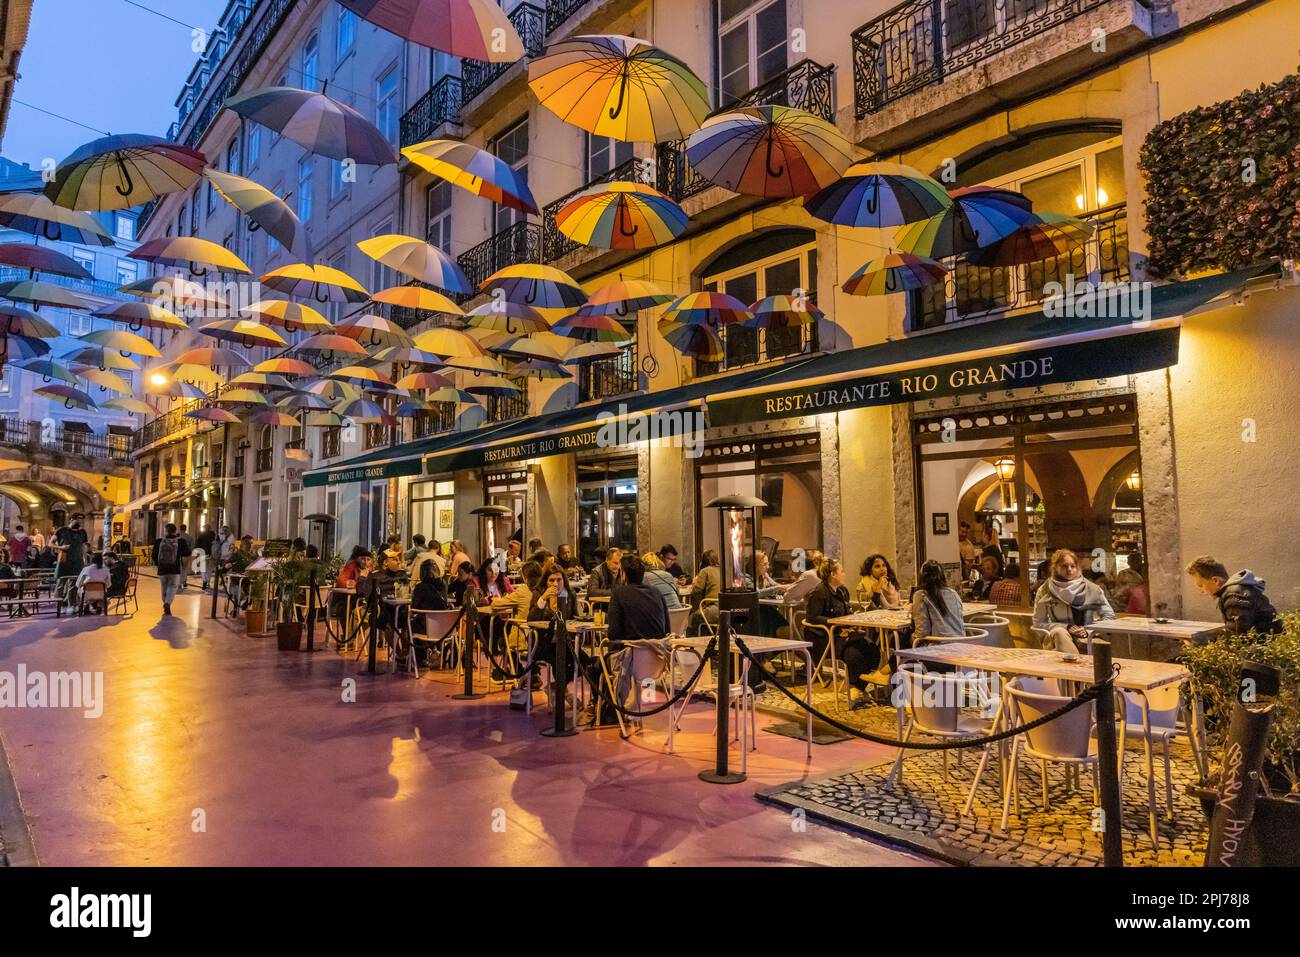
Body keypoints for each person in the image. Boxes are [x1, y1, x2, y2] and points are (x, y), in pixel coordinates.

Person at [807, 559, 880, 710]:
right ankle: (854, 690)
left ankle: (858, 688)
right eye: (842, 571)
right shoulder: (820, 592)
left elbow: (847, 612)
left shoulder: (842, 591)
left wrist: (854, 618)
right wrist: (835, 621)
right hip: (824, 638)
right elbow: (812, 617)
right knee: (854, 654)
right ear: (833, 574)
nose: (844, 574)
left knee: (872, 649)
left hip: (844, 634)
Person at [1032, 548, 1116, 652]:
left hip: (1087, 637)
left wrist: (1089, 630)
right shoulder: (1045, 591)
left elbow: (1109, 616)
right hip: (1057, 637)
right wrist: (1066, 627)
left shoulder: (1091, 589)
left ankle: (1075, 663)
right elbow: (1038, 622)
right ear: (1055, 568)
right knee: (1059, 632)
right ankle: (1077, 664)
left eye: (1073, 566)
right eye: (1064, 566)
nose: (1069, 569)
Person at [1185, 556, 1280, 636]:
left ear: (1215, 581)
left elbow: (1237, 636)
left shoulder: (1234, 595)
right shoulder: (1235, 592)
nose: (1201, 591)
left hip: (1265, 652)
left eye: (1201, 585)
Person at [912, 560, 966, 643]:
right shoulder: (953, 593)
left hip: (939, 649)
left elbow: (922, 633)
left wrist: (912, 637)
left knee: (901, 641)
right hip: (961, 645)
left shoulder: (921, 595)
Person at [152, 523, 189, 617]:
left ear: (165, 531)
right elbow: (187, 553)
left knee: (164, 587)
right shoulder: (181, 541)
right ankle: (167, 603)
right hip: (174, 569)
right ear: (175, 531)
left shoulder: (159, 541)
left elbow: (153, 555)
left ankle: (165, 602)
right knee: (173, 587)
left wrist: (158, 564)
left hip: (162, 569)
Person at [687, 549, 721, 634]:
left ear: (703, 561)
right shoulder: (724, 570)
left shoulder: (705, 571)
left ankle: (692, 645)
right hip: (727, 609)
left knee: (693, 617)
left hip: (714, 610)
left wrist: (695, 582)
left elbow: (697, 591)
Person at [53, 513, 88, 591]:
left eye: (81, 520)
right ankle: (58, 602)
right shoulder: (62, 530)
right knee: (61, 584)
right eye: (78, 520)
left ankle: (71, 603)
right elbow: (50, 543)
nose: (80, 522)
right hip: (64, 560)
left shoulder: (82, 532)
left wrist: (85, 560)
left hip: (77, 560)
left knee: (74, 585)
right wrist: (60, 547)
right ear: (71, 519)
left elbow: (84, 547)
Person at [195, 525, 217, 590]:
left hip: (202, 554)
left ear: (204, 528)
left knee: (203, 569)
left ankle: (204, 581)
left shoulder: (201, 535)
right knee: (209, 570)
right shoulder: (214, 535)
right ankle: (208, 582)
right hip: (211, 554)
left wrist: (196, 555)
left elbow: (197, 545)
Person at [177, 524, 191, 589]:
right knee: (185, 569)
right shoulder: (189, 536)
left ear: (180, 529)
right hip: (187, 555)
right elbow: (192, 545)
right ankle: (184, 581)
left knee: (179, 569)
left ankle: (179, 583)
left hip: (179, 555)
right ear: (185, 529)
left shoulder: (177, 536)